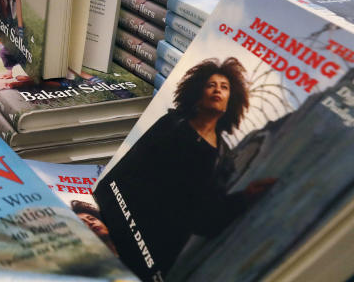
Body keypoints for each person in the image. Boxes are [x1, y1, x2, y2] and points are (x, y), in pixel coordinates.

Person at [95, 58, 276, 279]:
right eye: (211, 85)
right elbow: (124, 175)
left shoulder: (222, 158)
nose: (217, 90)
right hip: (113, 231)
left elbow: (205, 219)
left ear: (231, 100)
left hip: (153, 260)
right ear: (198, 93)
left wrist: (246, 197)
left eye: (224, 87)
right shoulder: (171, 126)